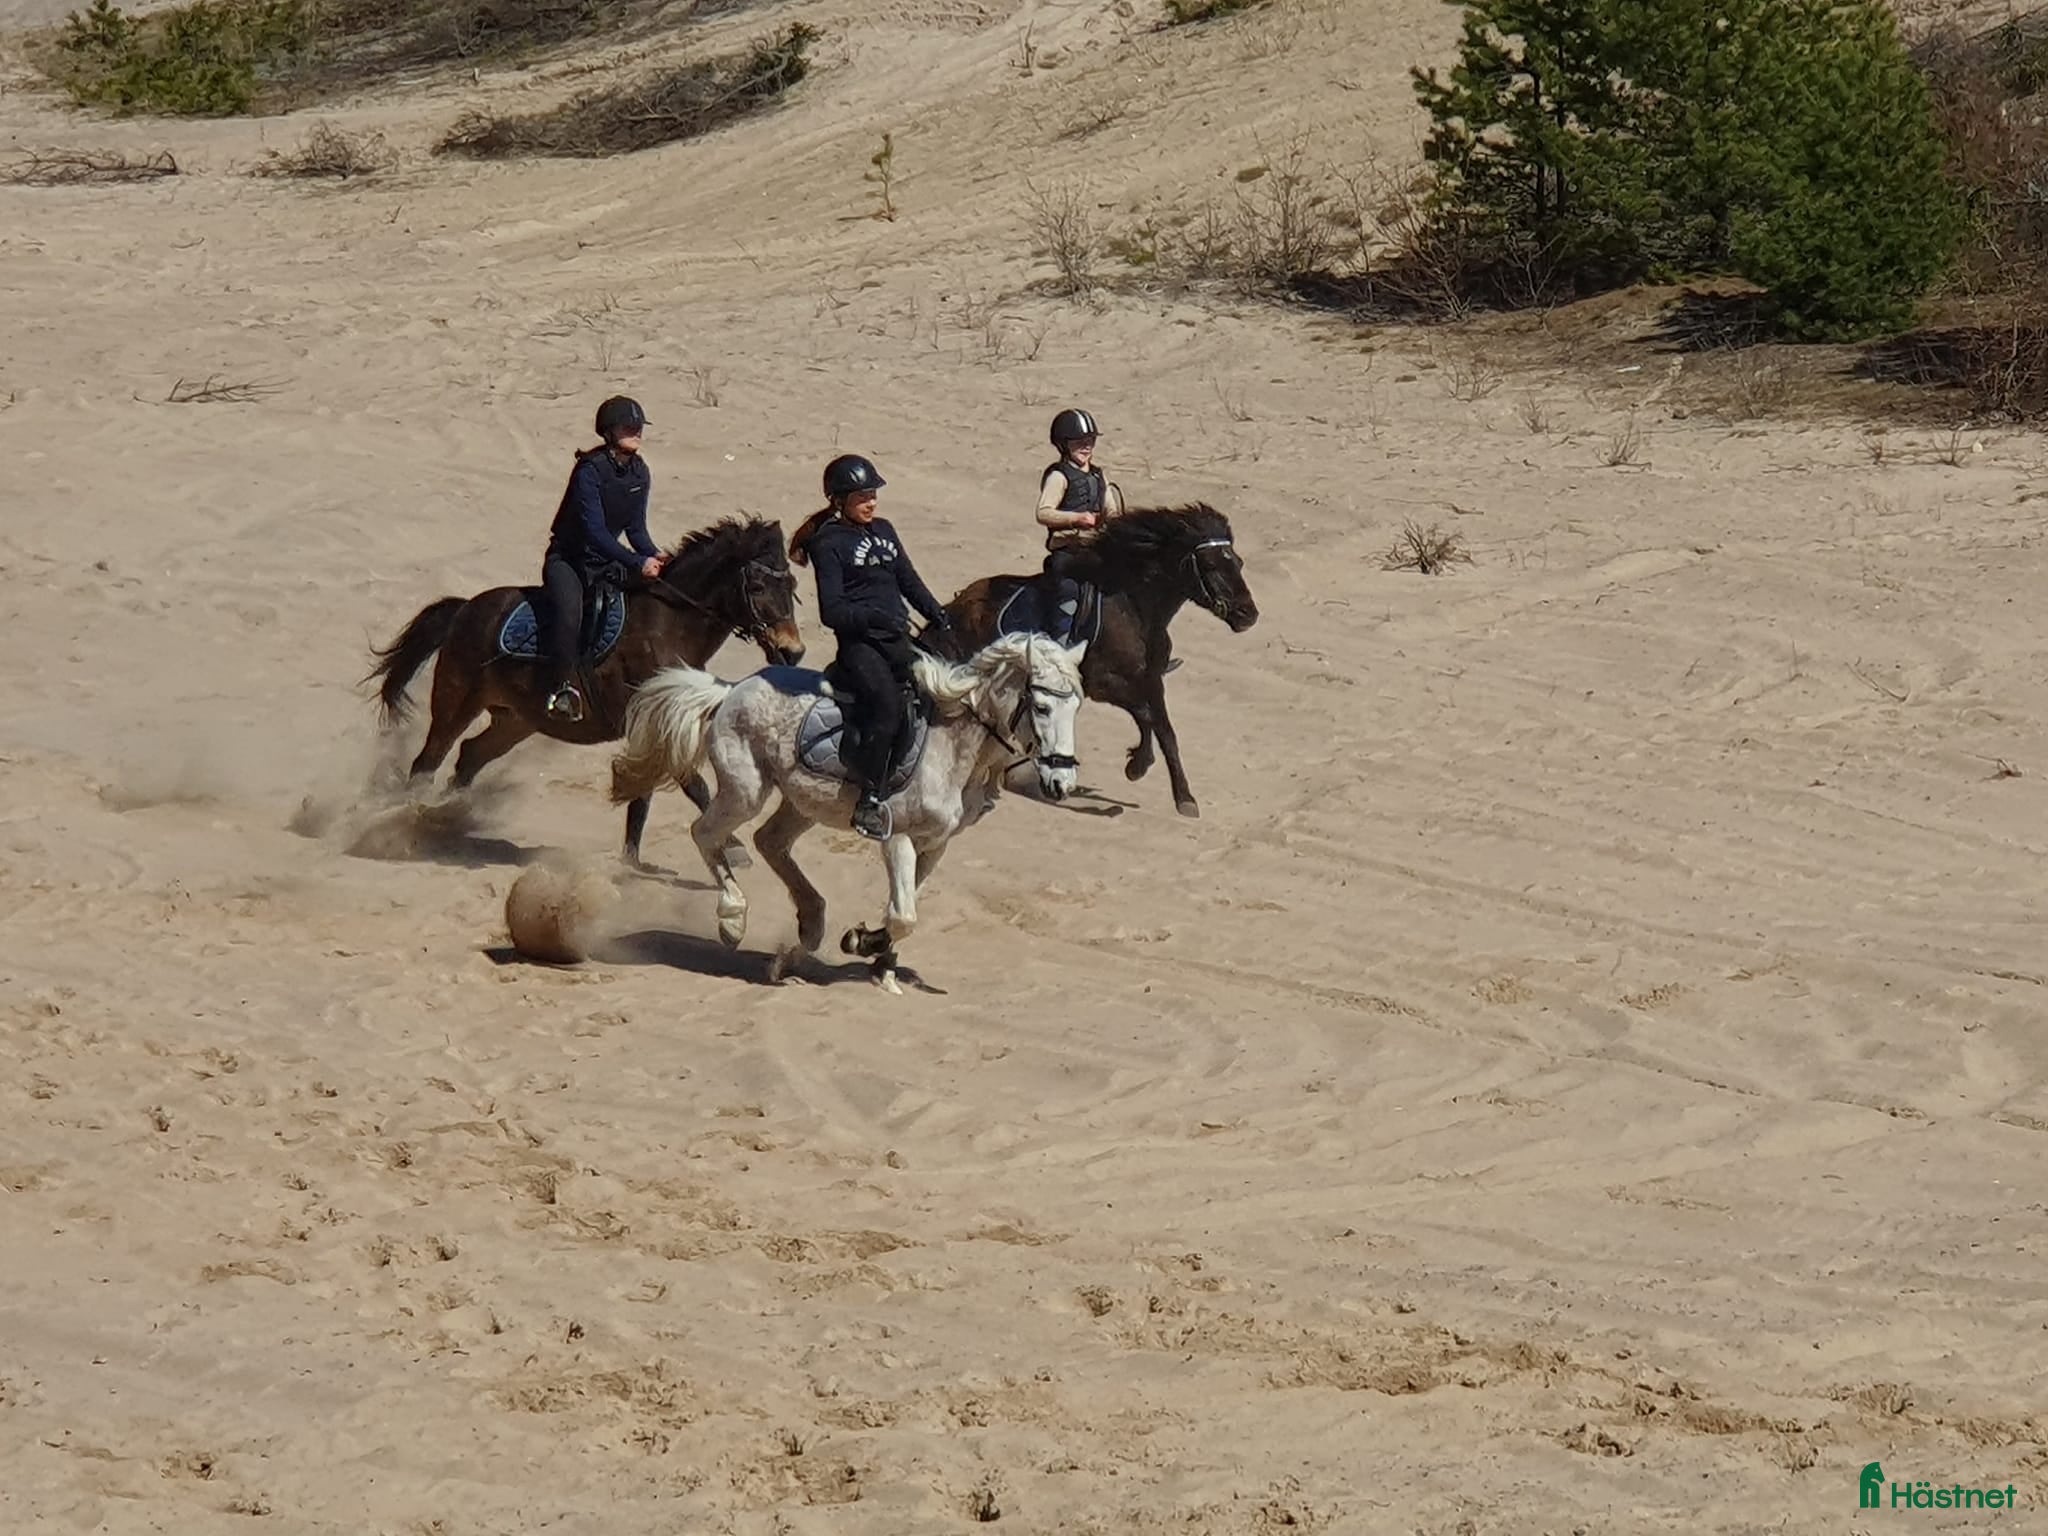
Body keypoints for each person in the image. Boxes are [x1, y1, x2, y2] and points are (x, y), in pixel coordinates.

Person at [789, 453, 953, 839]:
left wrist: (939, 615)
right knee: (887, 710)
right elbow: (833, 611)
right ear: (839, 500)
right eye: (863, 496)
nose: (872, 502)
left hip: (896, 642)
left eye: (873, 494)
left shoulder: (884, 529)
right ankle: (869, 799)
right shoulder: (829, 543)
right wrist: (877, 618)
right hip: (860, 649)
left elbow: (908, 580)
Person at [541, 395, 666, 722]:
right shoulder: (589, 471)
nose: (636, 431)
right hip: (568, 562)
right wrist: (636, 562)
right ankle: (562, 689)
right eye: (628, 426)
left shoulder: (640, 472)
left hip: (606, 563)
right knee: (570, 613)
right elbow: (594, 531)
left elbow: (636, 529)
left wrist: (653, 553)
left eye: (639, 426)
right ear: (608, 432)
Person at [1035, 407, 1123, 642]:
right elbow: (1043, 513)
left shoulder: (1099, 476)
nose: (1086, 446)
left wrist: (1115, 522)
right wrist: (1076, 518)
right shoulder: (1059, 476)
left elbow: (1110, 508)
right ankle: (1059, 646)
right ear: (1063, 444)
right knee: (1069, 589)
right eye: (1079, 442)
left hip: (1096, 549)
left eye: (1090, 441)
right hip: (1067, 551)